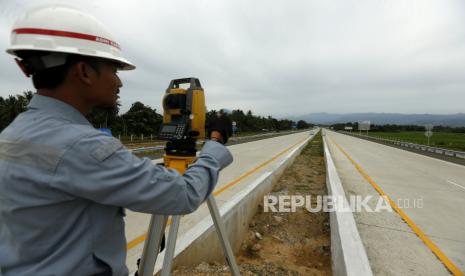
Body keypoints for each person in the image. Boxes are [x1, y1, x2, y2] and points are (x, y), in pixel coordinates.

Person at [0, 6, 232, 276]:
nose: (119, 81)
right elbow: (184, 194)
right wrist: (215, 142)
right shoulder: (86, 147)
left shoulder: (12, 134)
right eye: (114, 68)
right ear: (85, 71)